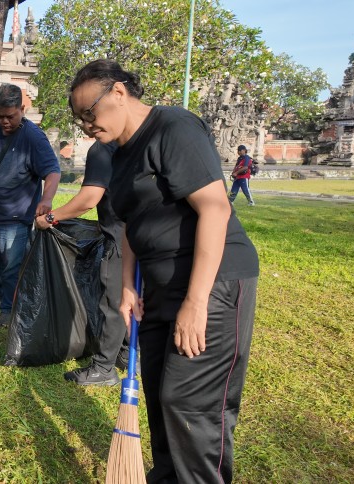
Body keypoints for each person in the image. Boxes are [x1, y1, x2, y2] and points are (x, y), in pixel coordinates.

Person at [69, 60, 259, 482]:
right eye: (78, 118)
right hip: (156, 285)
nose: (85, 125)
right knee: (159, 394)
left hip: (212, 281)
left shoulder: (173, 127)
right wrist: (127, 288)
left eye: (89, 112)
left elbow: (215, 207)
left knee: (188, 401)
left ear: (119, 92)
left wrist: (196, 302)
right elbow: (131, 227)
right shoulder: (117, 155)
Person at [35, 141, 130, 386]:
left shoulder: (103, 149)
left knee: (113, 302)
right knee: (134, 298)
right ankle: (128, 354)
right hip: (147, 236)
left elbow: (89, 199)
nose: (87, 126)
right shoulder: (144, 139)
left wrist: (50, 218)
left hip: (121, 238)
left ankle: (103, 368)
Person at [0, 83, 61, 327]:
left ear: (22, 108)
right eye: (0, 116)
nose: (4, 122)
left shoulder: (33, 137)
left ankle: (9, 308)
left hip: (18, 215)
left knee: (11, 265)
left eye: (10, 116)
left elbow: (52, 171)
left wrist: (47, 199)